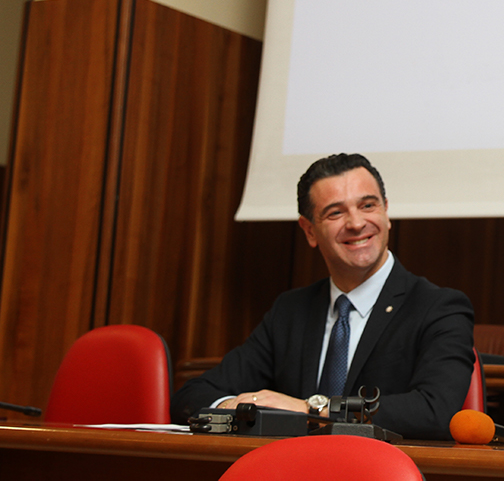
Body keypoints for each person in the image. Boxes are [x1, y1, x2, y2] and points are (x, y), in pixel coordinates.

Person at [171, 153, 475, 440]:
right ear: (309, 231)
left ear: (386, 211)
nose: (356, 223)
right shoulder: (291, 311)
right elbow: (192, 395)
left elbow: (436, 411)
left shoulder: (439, 307)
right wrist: (234, 408)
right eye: (335, 212)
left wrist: (310, 409)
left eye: (368, 206)